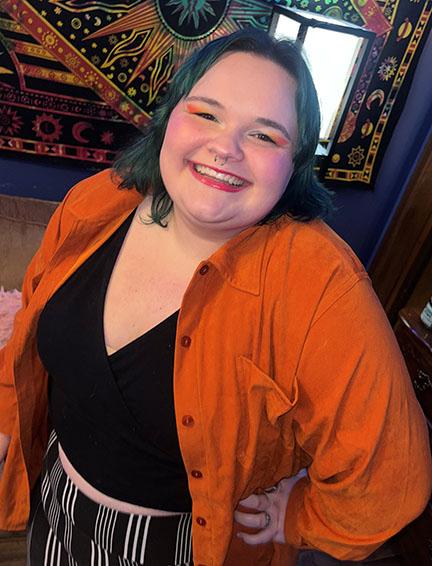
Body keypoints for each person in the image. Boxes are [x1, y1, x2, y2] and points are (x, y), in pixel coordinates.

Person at [0, 28, 430, 566]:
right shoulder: (98, 202)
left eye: (265, 135)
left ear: (295, 163)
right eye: (206, 113)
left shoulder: (321, 285)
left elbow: (392, 481)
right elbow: (29, 330)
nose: (225, 148)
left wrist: (298, 515)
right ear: (170, 118)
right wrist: (8, 418)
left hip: (181, 548)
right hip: (55, 502)